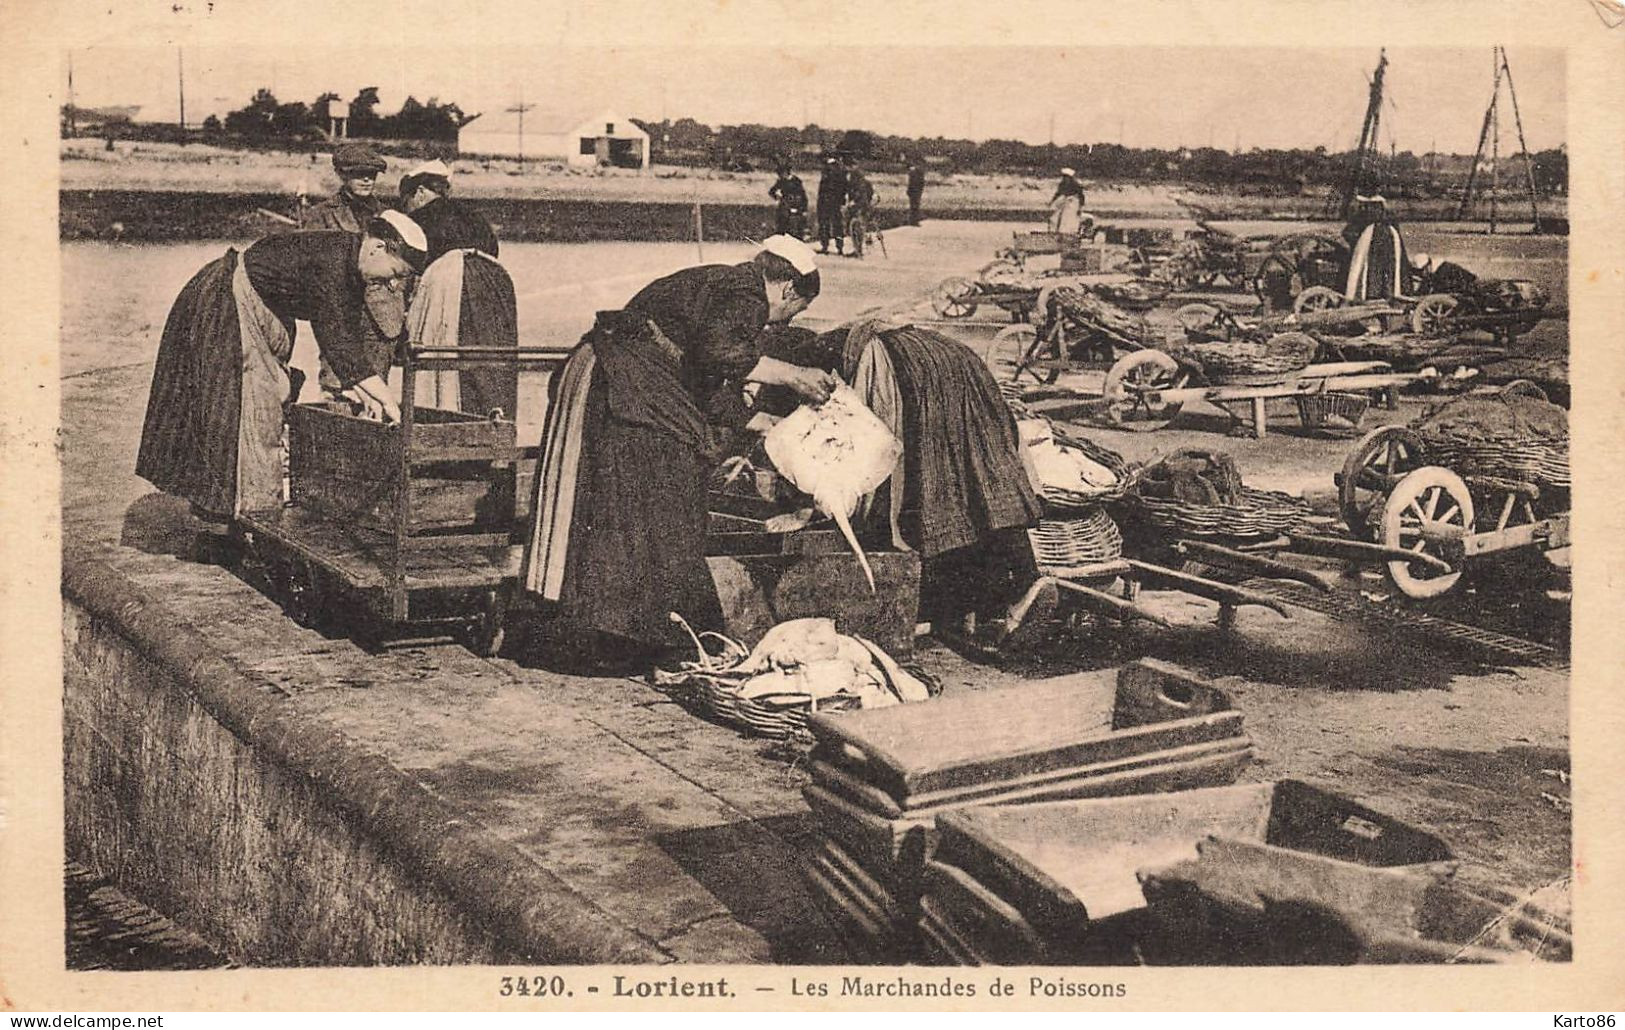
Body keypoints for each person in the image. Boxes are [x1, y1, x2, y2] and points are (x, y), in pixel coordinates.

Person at [521, 235, 839, 664]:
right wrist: (792, 375)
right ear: (787, 289)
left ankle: (615, 629)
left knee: (625, 508)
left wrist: (758, 420)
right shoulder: (745, 293)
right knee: (663, 501)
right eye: (795, 310)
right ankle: (633, 634)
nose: (777, 324)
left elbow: (700, 375)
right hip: (624, 384)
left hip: (610, 378)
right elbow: (718, 354)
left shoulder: (720, 285)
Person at [759, 319, 1047, 644]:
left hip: (910, 369)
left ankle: (967, 604)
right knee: (981, 472)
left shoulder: (794, 372)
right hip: (957, 360)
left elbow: (842, 441)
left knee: (929, 485)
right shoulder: (830, 345)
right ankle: (1018, 586)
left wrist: (804, 509)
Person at [137, 212, 429, 526]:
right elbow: (339, 344)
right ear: (378, 248)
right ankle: (245, 520)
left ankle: (234, 513)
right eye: (395, 272)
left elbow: (343, 342)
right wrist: (388, 401)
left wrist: (369, 397)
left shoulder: (350, 263)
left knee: (272, 400)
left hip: (264, 309)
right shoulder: (331, 263)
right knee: (252, 414)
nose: (395, 284)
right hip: (231, 302)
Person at [397, 160, 519, 420]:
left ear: (418, 192)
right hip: (497, 284)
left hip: (449, 285)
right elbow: (493, 249)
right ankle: (494, 423)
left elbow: (410, 266)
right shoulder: (473, 215)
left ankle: (443, 419)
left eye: (406, 200)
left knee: (442, 356)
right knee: (490, 362)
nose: (407, 207)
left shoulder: (419, 220)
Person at [301, 143, 409, 407]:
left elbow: (405, 263)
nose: (366, 179)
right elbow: (310, 269)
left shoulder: (390, 217)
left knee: (376, 394)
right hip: (340, 313)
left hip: (381, 315)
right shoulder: (320, 216)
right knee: (335, 389)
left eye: (371, 174)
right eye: (358, 173)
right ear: (341, 174)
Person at [1340, 194, 1410, 301]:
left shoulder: (1370, 222)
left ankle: (1374, 294)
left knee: (1373, 269)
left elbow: (1348, 233)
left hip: (1377, 243)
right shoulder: (1387, 223)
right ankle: (1382, 293)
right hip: (1382, 243)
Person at [816, 155, 848, 256]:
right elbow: (844, 188)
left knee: (825, 224)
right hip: (836, 202)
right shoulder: (840, 169)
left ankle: (825, 246)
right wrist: (842, 201)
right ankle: (839, 247)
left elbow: (823, 188)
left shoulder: (827, 169)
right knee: (837, 225)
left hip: (826, 201)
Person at [844, 161, 877, 259]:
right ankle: (858, 249)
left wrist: (853, 202)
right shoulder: (865, 181)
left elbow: (859, 194)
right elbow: (870, 193)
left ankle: (858, 250)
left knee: (856, 228)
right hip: (863, 207)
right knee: (858, 228)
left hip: (858, 207)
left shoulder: (856, 181)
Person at [768, 162, 809, 239]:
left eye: (781, 173)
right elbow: (771, 191)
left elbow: (803, 195)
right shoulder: (781, 181)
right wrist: (777, 197)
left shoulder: (796, 181)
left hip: (795, 204)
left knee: (795, 225)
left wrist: (804, 209)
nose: (780, 176)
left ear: (786, 172)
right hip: (784, 205)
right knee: (782, 224)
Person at [1049, 167, 1086, 234]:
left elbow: (1081, 196)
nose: (1065, 178)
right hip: (1065, 200)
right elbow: (1058, 193)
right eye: (1064, 177)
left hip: (1073, 201)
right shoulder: (1062, 184)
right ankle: (1056, 231)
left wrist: (1080, 208)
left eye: (1066, 177)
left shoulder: (1076, 184)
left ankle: (1070, 232)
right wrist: (1052, 202)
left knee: (1069, 217)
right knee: (1056, 216)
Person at [906, 158, 926, 226]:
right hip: (915, 191)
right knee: (914, 206)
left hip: (916, 191)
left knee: (914, 206)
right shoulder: (916, 172)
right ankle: (913, 220)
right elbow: (913, 182)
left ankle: (913, 220)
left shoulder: (917, 172)